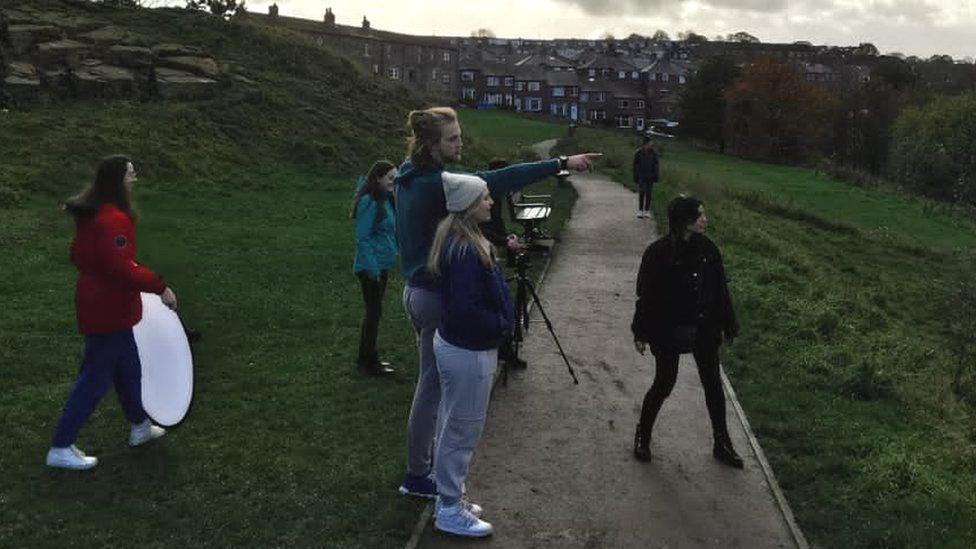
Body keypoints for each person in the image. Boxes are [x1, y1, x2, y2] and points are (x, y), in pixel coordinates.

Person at [394, 106, 599, 499]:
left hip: (417, 291)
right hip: (434, 295)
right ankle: (418, 474)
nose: (460, 142)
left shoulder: (409, 177)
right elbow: (496, 181)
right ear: (431, 145)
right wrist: (560, 162)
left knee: (432, 385)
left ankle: (423, 468)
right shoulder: (435, 184)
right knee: (433, 387)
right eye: (452, 138)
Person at [46, 155, 176, 470]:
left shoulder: (93, 216)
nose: (135, 178)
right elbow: (121, 270)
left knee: (128, 369)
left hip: (100, 303)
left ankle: (140, 427)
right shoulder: (112, 220)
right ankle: (61, 446)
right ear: (118, 180)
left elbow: (78, 255)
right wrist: (160, 287)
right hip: (109, 309)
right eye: (131, 173)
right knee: (94, 379)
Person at [426, 172, 512, 537]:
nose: (491, 203)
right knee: (462, 429)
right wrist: (500, 325)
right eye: (484, 199)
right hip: (469, 350)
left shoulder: (463, 239)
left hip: (459, 346)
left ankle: (449, 494)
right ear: (467, 206)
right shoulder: (464, 250)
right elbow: (467, 309)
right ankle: (448, 508)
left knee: (452, 422)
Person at [631, 195, 743, 468]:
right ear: (685, 221)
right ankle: (642, 436)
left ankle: (722, 442)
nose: (705, 219)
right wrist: (641, 330)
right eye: (700, 215)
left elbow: (719, 290)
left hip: (704, 326)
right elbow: (645, 295)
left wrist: (728, 322)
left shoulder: (708, 250)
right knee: (664, 383)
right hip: (669, 329)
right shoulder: (657, 253)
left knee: (713, 385)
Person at [351, 160, 398, 376]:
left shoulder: (386, 200)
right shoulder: (369, 202)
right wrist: (373, 271)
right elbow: (363, 238)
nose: (393, 182)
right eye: (390, 178)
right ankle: (367, 362)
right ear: (378, 178)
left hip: (381, 266)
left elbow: (389, 231)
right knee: (373, 314)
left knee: (375, 314)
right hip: (371, 269)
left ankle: (369, 359)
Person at [632, 135, 659, 219]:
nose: (651, 144)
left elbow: (656, 165)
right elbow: (635, 165)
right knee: (642, 192)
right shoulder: (638, 153)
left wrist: (656, 176)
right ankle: (640, 210)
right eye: (650, 142)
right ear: (645, 144)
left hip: (650, 176)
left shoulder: (654, 153)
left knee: (649, 193)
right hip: (641, 175)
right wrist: (636, 176)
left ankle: (647, 210)